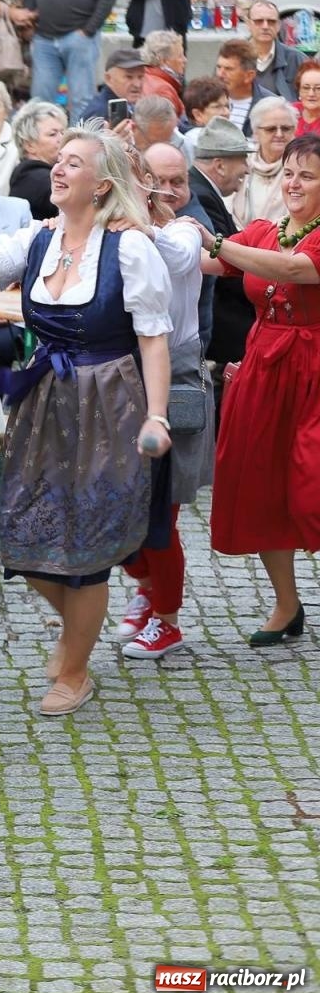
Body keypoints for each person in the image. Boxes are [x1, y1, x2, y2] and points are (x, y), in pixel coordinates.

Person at [0, 124, 174, 715]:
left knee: (87, 547)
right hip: (44, 401)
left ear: (102, 184)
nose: (58, 169)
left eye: (74, 163)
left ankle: (76, 670)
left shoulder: (129, 248)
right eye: (57, 159)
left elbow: (153, 339)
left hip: (110, 404)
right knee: (22, 532)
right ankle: (76, 632)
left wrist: (157, 416)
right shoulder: (38, 239)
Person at [193, 133, 320, 645]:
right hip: (264, 370)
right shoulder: (266, 231)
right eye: (288, 173)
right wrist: (149, 229)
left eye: (307, 175)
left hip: (314, 371)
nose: (293, 183)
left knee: (312, 483)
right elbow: (208, 263)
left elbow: (294, 270)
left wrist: (215, 242)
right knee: (264, 488)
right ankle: (287, 606)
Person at [107, 142, 213, 660]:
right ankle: (148, 589)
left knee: (159, 518)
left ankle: (166, 620)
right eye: (158, 179)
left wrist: (141, 228)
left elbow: (179, 255)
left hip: (175, 380)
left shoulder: (184, 228)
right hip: (120, 380)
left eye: (178, 181)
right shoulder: (109, 230)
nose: (169, 190)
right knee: (115, 509)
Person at [23, 0, 115, 122]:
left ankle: (79, 139)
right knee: (40, 101)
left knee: (81, 100)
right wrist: (29, 19)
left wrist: (88, 30)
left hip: (80, 38)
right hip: (44, 38)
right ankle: (40, 138)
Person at [189, 118, 252, 379]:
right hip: (221, 331)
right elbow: (227, 262)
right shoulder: (202, 195)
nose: (247, 169)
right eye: (243, 160)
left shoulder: (204, 190)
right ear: (219, 165)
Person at [234, 97, 295, 226]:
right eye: (271, 129)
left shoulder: (303, 166)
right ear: (255, 132)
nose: (279, 134)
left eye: (286, 128)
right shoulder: (241, 163)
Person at [6, 100, 67, 221]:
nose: (63, 139)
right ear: (29, 145)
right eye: (52, 134)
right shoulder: (34, 178)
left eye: (63, 132)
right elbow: (79, 204)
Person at [218, 38, 277, 137]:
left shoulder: (272, 107)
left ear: (249, 76)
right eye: (219, 67)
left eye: (228, 69)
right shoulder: (205, 99)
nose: (220, 74)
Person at [247, 0, 302, 103]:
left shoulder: (297, 60)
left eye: (271, 21)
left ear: (278, 26)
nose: (265, 26)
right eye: (259, 21)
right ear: (248, 24)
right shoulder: (233, 58)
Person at [78, 47, 146, 124]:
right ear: (108, 79)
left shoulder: (128, 105)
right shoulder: (99, 114)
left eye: (141, 77)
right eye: (129, 77)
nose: (137, 84)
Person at [180, 74, 230, 158]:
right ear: (198, 114)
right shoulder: (195, 142)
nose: (226, 112)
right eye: (217, 107)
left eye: (227, 106)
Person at [140, 29, 187, 117]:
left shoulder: (144, 77)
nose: (185, 60)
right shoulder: (163, 90)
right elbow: (167, 124)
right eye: (180, 56)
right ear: (163, 60)